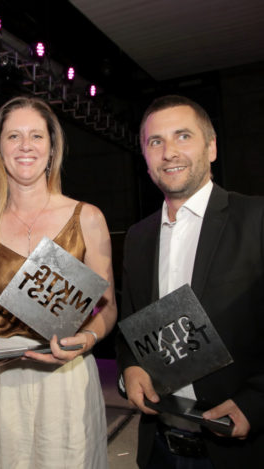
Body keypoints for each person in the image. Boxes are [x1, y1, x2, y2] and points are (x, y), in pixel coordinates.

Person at [0, 96, 117, 468]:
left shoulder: (87, 217)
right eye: (13, 136)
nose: (25, 145)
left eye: (36, 135)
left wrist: (87, 338)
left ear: (52, 148)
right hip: (2, 378)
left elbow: (108, 308)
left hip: (67, 376)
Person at [116, 94, 264, 468]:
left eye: (183, 136)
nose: (169, 152)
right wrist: (130, 366)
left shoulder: (256, 219)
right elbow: (130, 324)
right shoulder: (138, 237)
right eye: (156, 141)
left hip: (238, 452)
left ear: (211, 147)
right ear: (145, 157)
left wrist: (256, 402)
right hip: (159, 448)